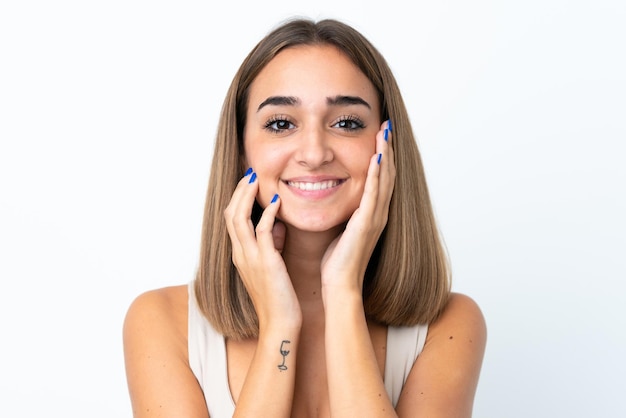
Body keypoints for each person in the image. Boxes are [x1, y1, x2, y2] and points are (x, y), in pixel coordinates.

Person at [123, 16, 487, 418]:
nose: (314, 153)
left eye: (346, 123)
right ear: (242, 150)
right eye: (281, 124)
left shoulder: (449, 325)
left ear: (387, 146)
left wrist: (343, 293)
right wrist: (279, 324)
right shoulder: (163, 323)